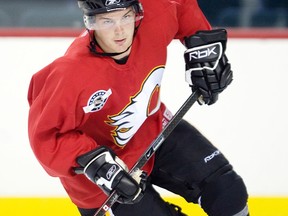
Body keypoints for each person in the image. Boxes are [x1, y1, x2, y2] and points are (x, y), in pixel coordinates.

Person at [27, 0, 249, 215]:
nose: (120, 30)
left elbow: (182, 7)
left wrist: (205, 50)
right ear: (90, 22)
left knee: (228, 193)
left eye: (126, 17)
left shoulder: (155, 15)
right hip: (101, 180)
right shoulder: (70, 73)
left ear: (137, 12)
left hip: (154, 131)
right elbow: (46, 138)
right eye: (107, 21)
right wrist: (98, 166)